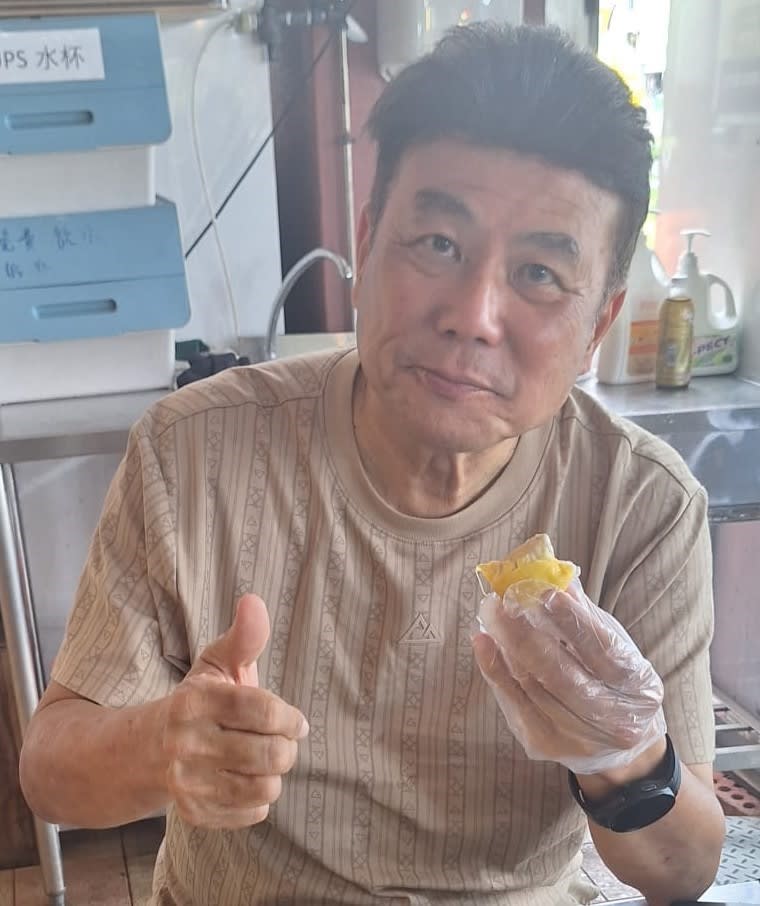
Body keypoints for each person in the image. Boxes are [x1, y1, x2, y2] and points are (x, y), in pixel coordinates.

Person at [20, 22, 724, 906]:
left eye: (540, 274)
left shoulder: (643, 503)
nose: (473, 314)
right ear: (366, 240)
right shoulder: (191, 451)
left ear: (600, 326)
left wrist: (626, 758)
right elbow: (51, 771)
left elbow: (685, 871)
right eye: (438, 244)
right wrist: (163, 746)